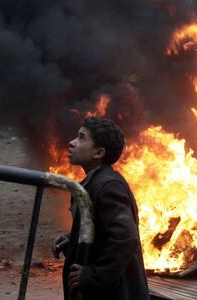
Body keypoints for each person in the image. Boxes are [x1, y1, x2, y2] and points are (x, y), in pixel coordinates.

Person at [52, 117, 149, 300]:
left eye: (81, 138)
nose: (72, 143)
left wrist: (94, 275)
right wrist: (72, 239)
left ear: (98, 153)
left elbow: (125, 237)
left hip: (115, 292)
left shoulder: (109, 187)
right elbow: (102, 230)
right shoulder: (95, 182)